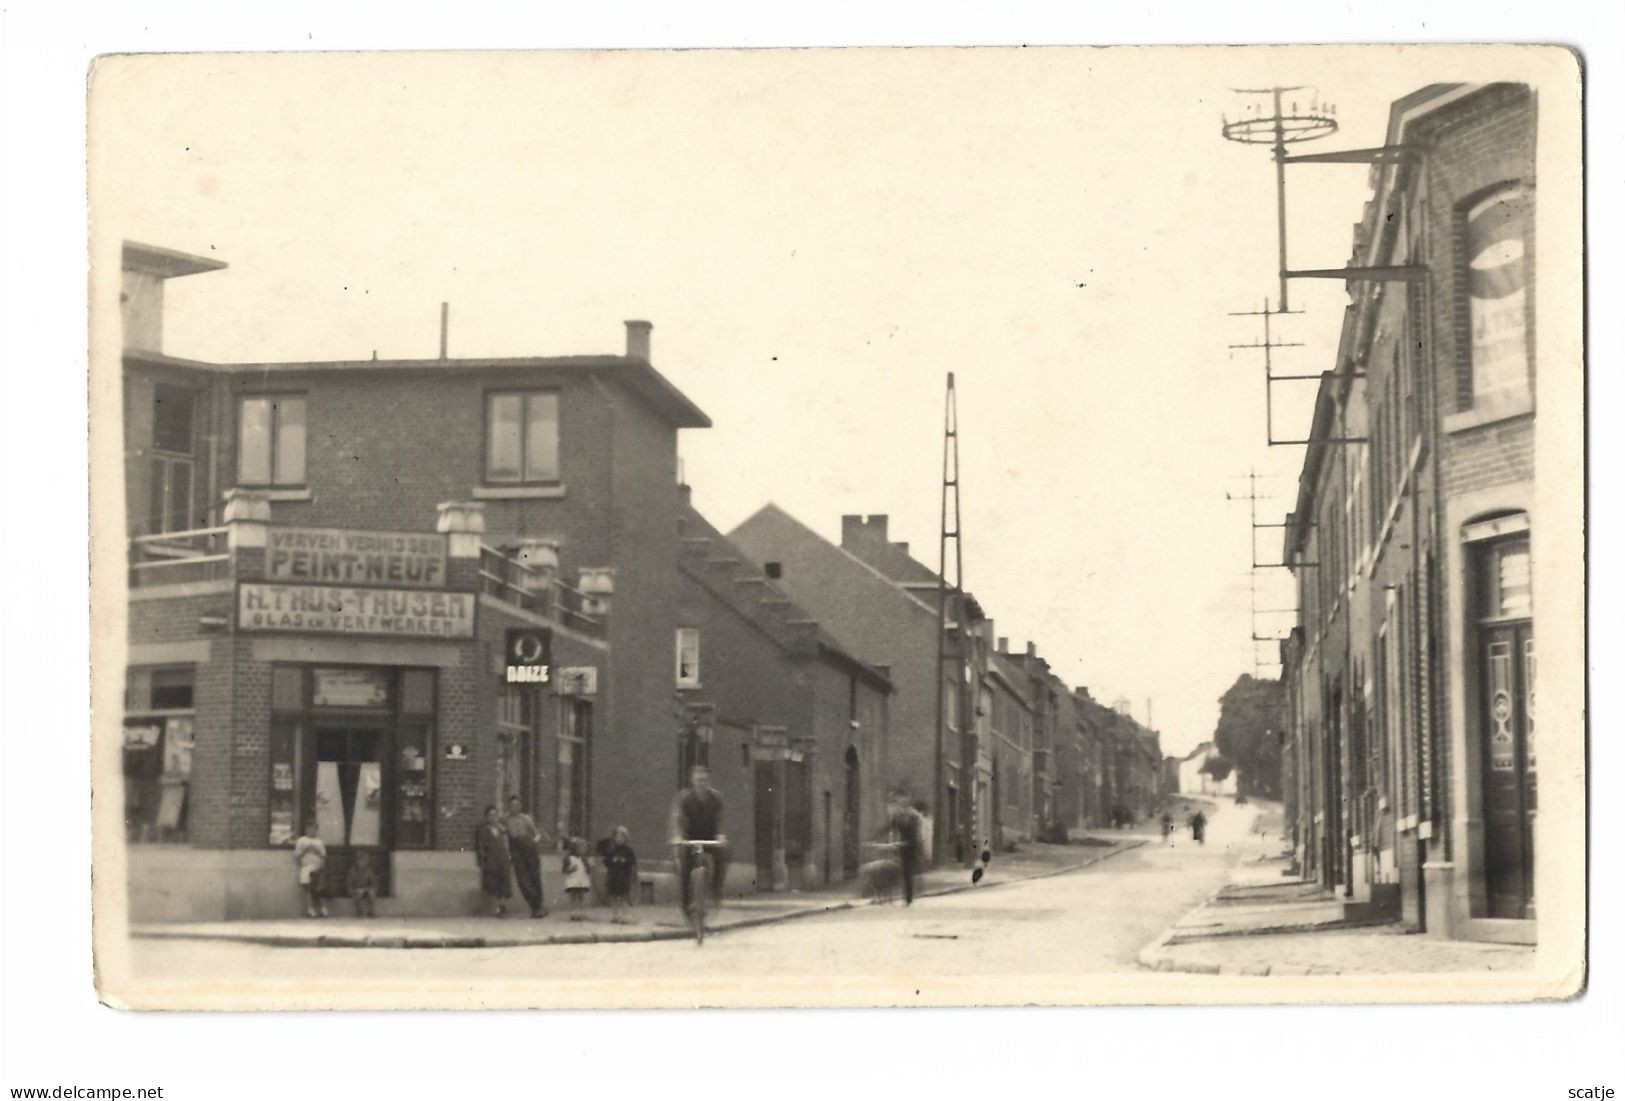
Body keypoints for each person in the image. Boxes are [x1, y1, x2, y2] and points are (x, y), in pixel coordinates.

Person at [669, 765, 728, 916]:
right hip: (689, 838)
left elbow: (720, 819)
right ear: (692, 780)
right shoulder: (684, 797)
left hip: (710, 837)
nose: (701, 783)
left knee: (724, 855)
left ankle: (716, 890)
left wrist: (721, 835)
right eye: (698, 780)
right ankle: (686, 905)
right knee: (685, 868)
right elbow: (677, 818)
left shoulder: (716, 798)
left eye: (704, 780)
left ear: (709, 781)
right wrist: (678, 836)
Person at [505, 795, 549, 918]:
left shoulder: (526, 819)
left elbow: (537, 834)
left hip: (529, 849)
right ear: (508, 806)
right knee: (523, 880)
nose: (514, 808)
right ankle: (535, 904)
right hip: (516, 851)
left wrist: (533, 843)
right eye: (512, 805)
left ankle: (538, 907)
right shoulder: (505, 820)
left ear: (520, 806)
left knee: (534, 877)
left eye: (517, 805)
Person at [474, 805, 513, 916]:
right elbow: (481, 846)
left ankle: (503, 907)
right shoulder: (484, 830)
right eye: (490, 815)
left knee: (505, 883)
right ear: (486, 817)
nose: (493, 817)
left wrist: (509, 856)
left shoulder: (502, 829)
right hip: (492, 859)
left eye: (495, 815)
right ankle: (496, 908)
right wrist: (482, 860)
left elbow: (507, 843)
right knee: (493, 883)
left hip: (503, 858)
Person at [886, 792, 924, 905]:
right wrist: (878, 838)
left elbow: (916, 832)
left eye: (904, 801)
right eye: (899, 801)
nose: (901, 803)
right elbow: (890, 828)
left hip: (911, 846)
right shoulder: (898, 816)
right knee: (898, 870)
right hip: (901, 846)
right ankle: (901, 892)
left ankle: (908, 898)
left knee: (907, 872)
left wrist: (912, 843)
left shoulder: (914, 816)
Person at [602, 826, 638, 924]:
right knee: (613, 896)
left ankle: (625, 915)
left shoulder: (629, 851)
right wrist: (611, 861)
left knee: (623, 896)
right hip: (613, 876)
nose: (619, 839)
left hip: (624, 876)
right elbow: (606, 861)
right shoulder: (612, 850)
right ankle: (615, 915)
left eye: (621, 837)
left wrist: (625, 861)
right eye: (617, 837)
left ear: (626, 838)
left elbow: (633, 862)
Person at [293, 818, 328, 918]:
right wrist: (305, 850)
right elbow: (296, 856)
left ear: (316, 830)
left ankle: (323, 909)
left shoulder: (319, 842)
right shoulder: (301, 841)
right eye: (308, 828)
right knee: (307, 889)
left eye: (313, 829)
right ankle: (310, 909)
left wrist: (317, 852)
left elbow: (324, 856)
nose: (310, 831)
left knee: (319, 889)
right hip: (306, 868)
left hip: (317, 868)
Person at [562, 837, 593, 918]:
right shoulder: (568, 858)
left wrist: (587, 868)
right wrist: (570, 869)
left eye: (584, 848)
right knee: (573, 896)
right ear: (575, 848)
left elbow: (588, 869)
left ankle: (580, 911)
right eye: (581, 848)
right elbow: (564, 870)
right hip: (573, 880)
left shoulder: (584, 859)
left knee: (581, 896)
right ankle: (573, 911)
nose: (583, 850)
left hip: (581, 879)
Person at [347, 850, 379, 917]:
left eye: (365, 861)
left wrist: (371, 890)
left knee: (371, 893)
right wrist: (353, 891)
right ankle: (359, 912)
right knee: (359, 893)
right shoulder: (352, 872)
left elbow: (374, 884)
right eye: (361, 860)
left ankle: (371, 912)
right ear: (357, 861)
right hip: (357, 890)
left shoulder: (369, 871)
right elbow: (349, 885)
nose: (363, 863)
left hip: (367, 890)